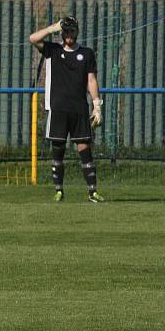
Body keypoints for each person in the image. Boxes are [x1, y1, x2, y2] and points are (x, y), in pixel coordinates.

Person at [29, 16, 104, 202]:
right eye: (66, 31)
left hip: (78, 109)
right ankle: (59, 190)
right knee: (58, 150)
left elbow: (91, 80)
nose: (69, 35)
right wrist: (52, 28)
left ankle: (92, 192)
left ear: (77, 32)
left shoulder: (86, 53)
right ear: (62, 33)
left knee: (85, 149)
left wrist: (97, 105)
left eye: (72, 31)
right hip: (58, 109)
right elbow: (33, 39)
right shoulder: (53, 50)